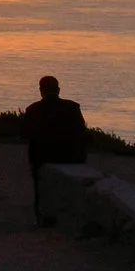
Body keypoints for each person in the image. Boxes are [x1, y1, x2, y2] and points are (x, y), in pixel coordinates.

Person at [19, 75, 89, 227]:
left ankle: (42, 219)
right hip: (72, 157)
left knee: (41, 187)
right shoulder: (73, 107)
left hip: (42, 158)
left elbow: (25, 134)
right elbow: (82, 132)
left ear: (40, 90)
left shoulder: (33, 109)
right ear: (58, 89)